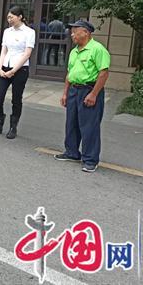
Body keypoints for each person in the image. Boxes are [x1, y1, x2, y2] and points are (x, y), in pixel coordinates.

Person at [54, 20, 110, 173]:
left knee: (89, 126)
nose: (72, 34)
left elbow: (103, 73)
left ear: (86, 32)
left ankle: (90, 159)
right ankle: (72, 152)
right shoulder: (74, 51)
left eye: (74, 31)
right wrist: (65, 93)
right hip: (74, 90)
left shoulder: (97, 49)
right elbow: (70, 74)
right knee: (71, 123)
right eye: (71, 31)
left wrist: (94, 94)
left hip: (89, 90)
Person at [0, 6, 35, 139]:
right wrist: (0, 68)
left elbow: (27, 54)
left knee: (16, 99)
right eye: (8, 17)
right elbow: (4, 50)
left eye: (11, 17)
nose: (9, 20)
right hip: (5, 68)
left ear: (20, 17)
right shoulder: (7, 31)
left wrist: (13, 70)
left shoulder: (29, 32)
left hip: (20, 69)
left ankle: (13, 127)